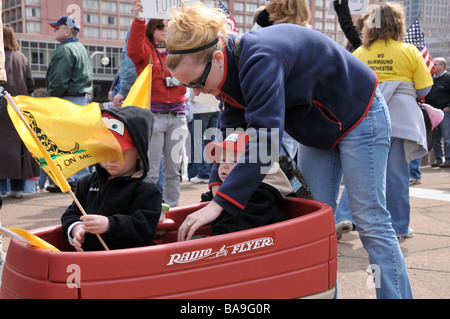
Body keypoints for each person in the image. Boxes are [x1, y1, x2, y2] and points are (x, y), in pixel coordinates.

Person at [166, 2, 412, 299]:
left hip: (360, 114)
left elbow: (266, 140)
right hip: (319, 128)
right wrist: (219, 188)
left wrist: (221, 204)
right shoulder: (227, 69)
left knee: (370, 220)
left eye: (197, 83)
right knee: (314, 224)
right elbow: (232, 133)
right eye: (187, 86)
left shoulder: (260, 57)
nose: (196, 92)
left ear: (217, 58)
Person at [341, 3, 433, 241]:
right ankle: (399, 227)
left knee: (357, 173)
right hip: (401, 120)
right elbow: (424, 87)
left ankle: (342, 216)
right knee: (397, 176)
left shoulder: (360, 53)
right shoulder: (409, 51)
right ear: (398, 24)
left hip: (366, 117)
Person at [61, 106, 162, 251]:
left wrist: (110, 224)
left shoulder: (147, 190)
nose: (110, 160)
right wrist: (76, 229)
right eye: (105, 151)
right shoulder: (87, 182)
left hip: (128, 262)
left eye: (119, 153)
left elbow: (144, 227)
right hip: (89, 259)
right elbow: (71, 214)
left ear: (139, 152)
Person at [127, 0, 187, 207]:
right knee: (150, 171)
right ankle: (148, 209)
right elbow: (133, 49)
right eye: (160, 26)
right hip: (153, 118)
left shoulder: (179, 49)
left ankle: (173, 208)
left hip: (178, 117)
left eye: (168, 26)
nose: (165, 29)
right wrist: (138, 19)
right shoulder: (144, 52)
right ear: (152, 28)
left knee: (173, 170)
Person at [196, 131, 292, 236]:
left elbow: (235, 226)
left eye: (233, 161)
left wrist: (209, 240)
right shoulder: (229, 189)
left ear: (253, 167)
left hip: (264, 247)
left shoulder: (261, 197)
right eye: (222, 160)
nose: (224, 165)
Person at [45, 15, 93, 192]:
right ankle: (79, 180)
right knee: (79, 141)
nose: (54, 30)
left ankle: (68, 180)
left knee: (65, 141)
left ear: (66, 31)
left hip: (68, 99)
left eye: (56, 28)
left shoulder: (64, 50)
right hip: (81, 99)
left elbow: (58, 81)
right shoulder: (81, 48)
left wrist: (52, 98)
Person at [0, 24, 39, 198]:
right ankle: (18, 189)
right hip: (18, 107)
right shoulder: (21, 57)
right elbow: (30, 84)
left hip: (1, 108)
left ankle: (1, 189)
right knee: (20, 149)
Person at [185, 88, 220, 183]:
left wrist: (189, 99)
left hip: (200, 109)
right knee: (212, 141)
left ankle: (204, 173)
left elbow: (193, 89)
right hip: (215, 106)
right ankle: (212, 171)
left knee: (198, 141)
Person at [425, 57, 450, 168]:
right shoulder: (431, 78)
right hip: (432, 112)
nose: (432, 66)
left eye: (434, 64)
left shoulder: (448, 78)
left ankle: (448, 160)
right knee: (435, 137)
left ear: (442, 66)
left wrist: (448, 107)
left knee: (447, 137)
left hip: (445, 112)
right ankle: (438, 159)